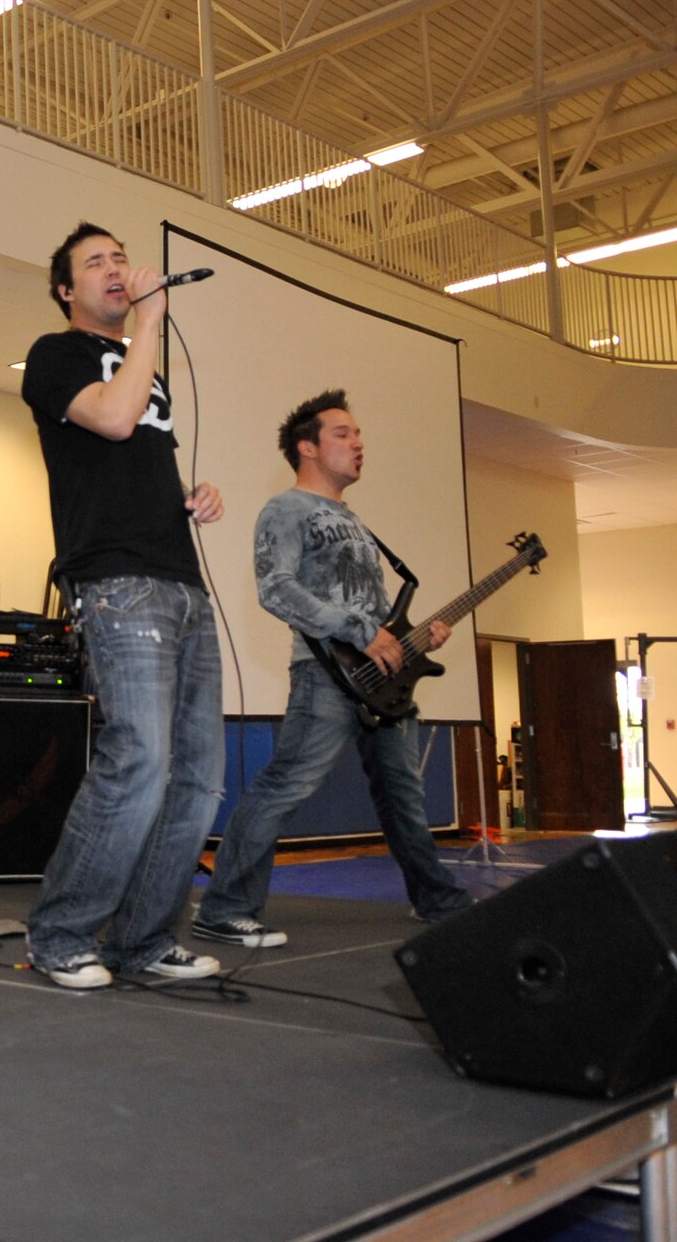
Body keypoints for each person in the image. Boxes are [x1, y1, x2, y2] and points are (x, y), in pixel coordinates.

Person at [19, 222, 226, 991]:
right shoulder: (56, 356)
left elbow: (135, 456)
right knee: (139, 757)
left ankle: (143, 940)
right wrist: (148, 321)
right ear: (66, 290)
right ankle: (62, 932)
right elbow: (109, 419)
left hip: (181, 580)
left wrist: (190, 497)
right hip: (116, 583)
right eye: (95, 263)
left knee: (198, 776)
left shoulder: (149, 373)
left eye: (119, 257)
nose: (116, 269)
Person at [191, 391, 472, 946]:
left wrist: (415, 643)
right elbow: (276, 589)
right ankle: (223, 909)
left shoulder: (356, 523)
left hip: (384, 685)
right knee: (283, 787)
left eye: (358, 433)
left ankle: (438, 901)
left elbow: (377, 616)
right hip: (325, 676)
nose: (358, 442)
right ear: (307, 447)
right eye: (343, 433)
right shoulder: (286, 509)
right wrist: (364, 632)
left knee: (403, 799)